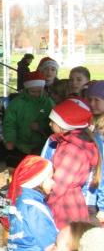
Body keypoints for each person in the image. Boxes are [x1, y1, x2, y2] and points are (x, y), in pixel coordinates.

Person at [44, 98, 100, 230]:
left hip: (65, 207)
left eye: (53, 121)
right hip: (69, 202)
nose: (49, 124)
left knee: (65, 240)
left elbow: (59, 184)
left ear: (65, 124)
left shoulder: (73, 150)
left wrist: (44, 203)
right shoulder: (67, 143)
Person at [5, 156, 57, 251]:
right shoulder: (34, 208)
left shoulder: (19, 199)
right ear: (38, 180)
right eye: (51, 178)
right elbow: (50, 246)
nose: (53, 183)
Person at [3, 71, 54, 166]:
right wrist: (10, 139)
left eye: (39, 91)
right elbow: (9, 123)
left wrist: (40, 126)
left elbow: (53, 123)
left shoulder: (48, 103)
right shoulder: (16, 103)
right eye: (32, 91)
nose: (36, 94)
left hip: (40, 145)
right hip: (19, 144)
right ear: (26, 89)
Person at [86, 80, 104, 222]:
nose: (92, 104)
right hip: (90, 192)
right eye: (90, 99)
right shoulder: (89, 123)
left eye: (97, 100)